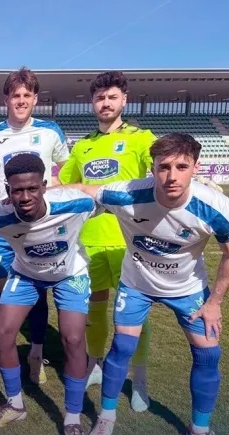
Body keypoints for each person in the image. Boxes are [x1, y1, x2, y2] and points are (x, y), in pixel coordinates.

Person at [72, 133, 229, 435]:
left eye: (181, 167)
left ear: (195, 167)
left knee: (209, 354)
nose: (171, 176)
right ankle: (106, 416)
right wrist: (35, 192)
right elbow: (82, 189)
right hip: (136, 284)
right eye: (163, 167)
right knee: (122, 348)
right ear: (152, 168)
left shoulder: (215, 207)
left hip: (188, 288)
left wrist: (214, 303)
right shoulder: (128, 193)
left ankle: (200, 430)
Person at [0, 153, 97, 435]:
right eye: (17, 190)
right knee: (3, 332)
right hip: (26, 274)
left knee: (73, 338)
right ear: (8, 190)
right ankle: (15, 404)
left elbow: (108, 194)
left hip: (70, 274)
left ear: (44, 186)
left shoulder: (75, 204)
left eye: (32, 188)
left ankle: (72, 420)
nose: (25, 197)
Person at [57, 71, 156, 411]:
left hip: (130, 241)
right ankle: (95, 364)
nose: (105, 103)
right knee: (95, 310)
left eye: (112, 97)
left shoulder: (141, 138)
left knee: (134, 314)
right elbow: (65, 185)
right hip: (90, 240)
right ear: (92, 103)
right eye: (100, 98)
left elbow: (161, 173)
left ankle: (138, 378)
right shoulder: (83, 145)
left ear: (124, 100)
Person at [0, 67, 70, 384]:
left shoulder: (51, 131)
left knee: (37, 292)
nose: (21, 100)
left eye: (26, 95)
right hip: (1, 230)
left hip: (38, 229)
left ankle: (36, 354)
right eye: (15, 95)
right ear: (6, 100)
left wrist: (54, 195)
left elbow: (67, 173)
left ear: (35, 98)